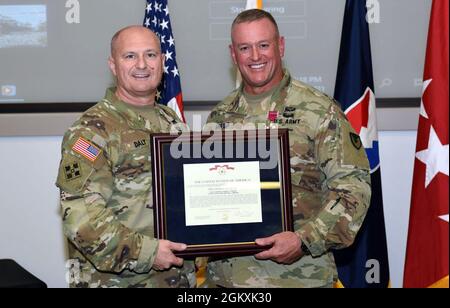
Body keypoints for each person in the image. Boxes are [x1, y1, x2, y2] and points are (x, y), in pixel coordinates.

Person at [204, 9, 371, 288]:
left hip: (298, 278)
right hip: (227, 280)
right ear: (233, 55)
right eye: (245, 48)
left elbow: (354, 190)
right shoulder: (221, 115)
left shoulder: (319, 110)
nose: (255, 56)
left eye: (264, 45)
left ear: (280, 46)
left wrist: (305, 239)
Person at [56, 26, 195, 288]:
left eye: (151, 55)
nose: (142, 64)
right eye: (130, 56)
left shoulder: (172, 123)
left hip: (177, 280)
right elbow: (81, 220)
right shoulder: (90, 132)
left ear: (162, 62)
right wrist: (148, 253)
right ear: (113, 64)